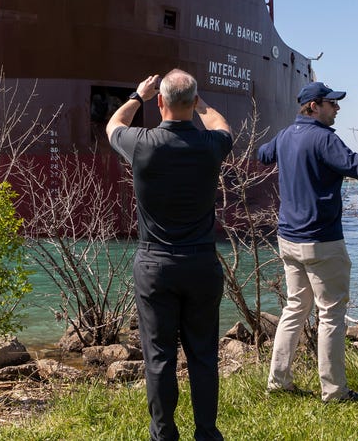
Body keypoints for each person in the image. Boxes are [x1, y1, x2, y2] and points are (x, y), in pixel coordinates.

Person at [107, 69, 232, 441]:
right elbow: (221, 124)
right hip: (201, 264)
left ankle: (163, 434)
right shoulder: (212, 145)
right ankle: (207, 433)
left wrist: (137, 95)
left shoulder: (142, 144)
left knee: (159, 358)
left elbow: (113, 124)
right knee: (203, 356)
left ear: (160, 102)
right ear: (193, 105)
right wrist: (202, 103)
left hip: (155, 265)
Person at [262, 82, 358, 403]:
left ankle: (278, 382)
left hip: (288, 239)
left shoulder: (286, 135)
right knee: (330, 315)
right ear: (313, 106)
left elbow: (263, 154)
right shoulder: (324, 138)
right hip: (321, 241)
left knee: (295, 308)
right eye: (332, 103)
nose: (337, 108)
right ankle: (335, 392)